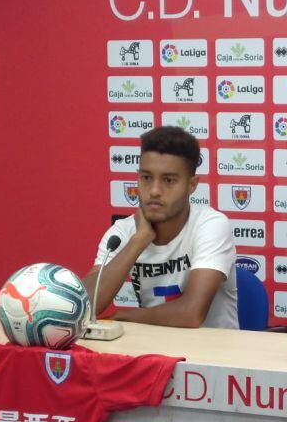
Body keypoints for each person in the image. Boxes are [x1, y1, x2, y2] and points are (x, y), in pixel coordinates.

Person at [83, 126, 238, 328]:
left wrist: (123, 318)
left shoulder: (210, 224)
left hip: (212, 354)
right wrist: (139, 240)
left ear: (192, 185)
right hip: (149, 352)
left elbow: (190, 313)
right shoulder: (122, 232)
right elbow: (83, 305)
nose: (155, 191)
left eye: (169, 180)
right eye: (146, 178)